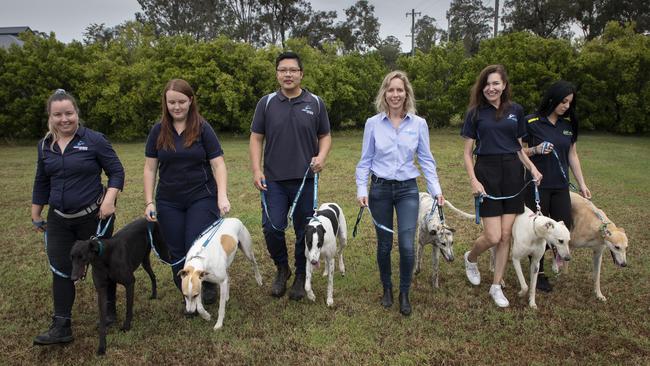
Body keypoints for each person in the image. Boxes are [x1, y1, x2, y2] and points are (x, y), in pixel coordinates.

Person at [31, 89, 124, 345]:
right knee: (61, 268)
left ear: (77, 114)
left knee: (101, 265)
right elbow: (42, 180)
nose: (64, 119)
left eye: (69, 113)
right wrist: (36, 211)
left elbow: (116, 171)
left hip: (93, 216)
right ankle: (62, 325)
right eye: (58, 114)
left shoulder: (94, 140)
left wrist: (109, 199)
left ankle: (109, 311)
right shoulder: (45, 145)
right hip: (59, 219)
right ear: (50, 117)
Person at [355, 70, 445, 316]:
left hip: (407, 190)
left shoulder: (419, 124)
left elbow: (426, 160)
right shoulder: (373, 124)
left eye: (400, 90)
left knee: (406, 245)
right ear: (384, 93)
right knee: (384, 246)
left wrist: (436, 190)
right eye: (391, 90)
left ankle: (404, 292)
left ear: (406, 94)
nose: (395, 94)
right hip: (380, 190)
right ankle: (387, 288)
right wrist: (362, 189)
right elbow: (365, 161)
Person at [249, 51, 331, 301]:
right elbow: (256, 137)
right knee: (272, 227)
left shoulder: (315, 103)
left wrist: (322, 157)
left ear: (301, 74)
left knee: (303, 231)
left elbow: (325, 136)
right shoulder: (266, 103)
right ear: (277, 74)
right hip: (273, 180)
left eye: (292, 70)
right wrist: (256, 169)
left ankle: (299, 275)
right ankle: (282, 268)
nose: (288, 74)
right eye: (283, 70)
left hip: (305, 180)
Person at [460, 65, 542, 308]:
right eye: (486, 84)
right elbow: (467, 154)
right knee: (493, 236)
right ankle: (471, 257)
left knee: (506, 236)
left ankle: (496, 285)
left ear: (504, 85)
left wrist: (532, 168)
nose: (491, 88)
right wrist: (474, 180)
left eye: (496, 83)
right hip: (487, 172)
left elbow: (517, 147)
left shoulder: (516, 111)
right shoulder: (475, 113)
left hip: (513, 175)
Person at [143, 79, 230, 306]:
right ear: (166, 103)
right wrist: (149, 202)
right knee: (176, 249)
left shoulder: (202, 128)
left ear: (190, 101)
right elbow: (150, 168)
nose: (177, 106)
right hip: (169, 200)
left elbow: (218, 164)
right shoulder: (158, 131)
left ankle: (206, 283)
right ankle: (187, 291)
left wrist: (222, 195)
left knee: (195, 244)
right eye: (172, 102)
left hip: (201, 196)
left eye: (181, 101)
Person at [522, 80, 590, 292]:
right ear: (552, 99)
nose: (566, 106)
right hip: (536, 185)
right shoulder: (531, 121)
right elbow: (520, 152)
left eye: (569, 103)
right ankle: (538, 272)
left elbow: (572, 155)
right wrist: (536, 149)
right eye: (563, 101)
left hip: (560, 186)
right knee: (540, 230)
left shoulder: (568, 125)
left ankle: (555, 257)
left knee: (564, 225)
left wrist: (582, 184)